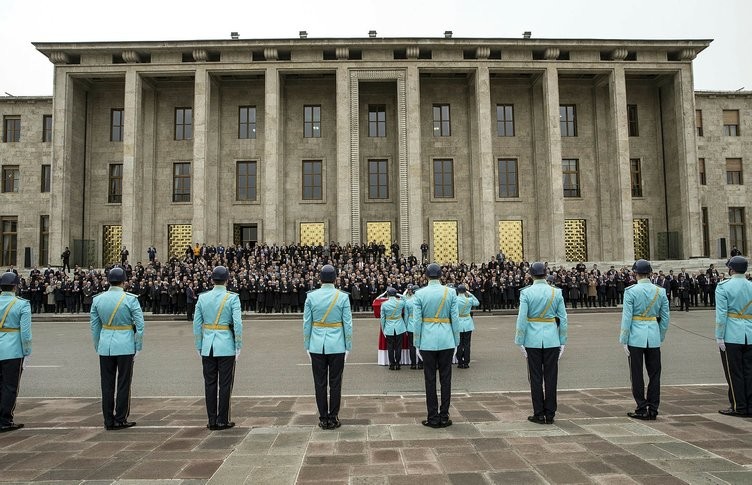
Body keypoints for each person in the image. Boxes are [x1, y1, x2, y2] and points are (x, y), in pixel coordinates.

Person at [89, 267, 145, 430]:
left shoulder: (98, 299)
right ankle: (120, 418)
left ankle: (108, 419)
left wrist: (98, 344)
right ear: (124, 281)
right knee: (123, 383)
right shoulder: (130, 299)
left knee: (106, 384)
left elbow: (94, 326)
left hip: (105, 344)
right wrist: (138, 345)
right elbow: (140, 325)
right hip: (125, 343)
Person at [515, 262, 568, 425]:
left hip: (532, 339)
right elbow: (563, 319)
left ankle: (538, 413)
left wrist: (519, 341)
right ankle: (550, 413)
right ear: (546, 274)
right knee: (551, 377)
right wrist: (562, 340)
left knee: (536, 377)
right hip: (552, 338)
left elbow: (522, 318)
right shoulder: (556, 293)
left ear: (531, 275)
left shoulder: (526, 293)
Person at [619, 259, 670, 420]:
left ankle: (641, 407)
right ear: (649, 273)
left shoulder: (631, 291)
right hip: (653, 335)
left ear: (635, 273)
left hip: (636, 336)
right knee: (654, 374)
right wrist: (660, 335)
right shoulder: (659, 291)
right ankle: (653, 408)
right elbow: (665, 317)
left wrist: (624, 339)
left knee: (637, 373)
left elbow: (627, 317)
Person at [303, 264, 353, 430]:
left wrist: (307, 345)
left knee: (320, 383)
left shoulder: (311, 297)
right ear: (335, 278)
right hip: (337, 344)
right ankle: (333, 416)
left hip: (317, 344)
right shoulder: (342, 297)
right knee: (336, 382)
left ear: (320, 278)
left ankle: (323, 417)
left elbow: (306, 323)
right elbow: (347, 323)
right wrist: (348, 345)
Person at [193, 265, 242, 430]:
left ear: (212, 280)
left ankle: (212, 420)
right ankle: (223, 419)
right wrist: (238, 345)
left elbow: (196, 324)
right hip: (226, 344)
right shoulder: (232, 298)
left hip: (208, 346)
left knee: (210, 384)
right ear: (227, 279)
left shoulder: (203, 298)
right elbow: (238, 324)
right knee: (225, 384)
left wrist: (199, 345)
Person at [412, 263, 460, 428]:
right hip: (447, 338)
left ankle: (432, 416)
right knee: (446, 379)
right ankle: (444, 415)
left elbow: (417, 321)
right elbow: (455, 319)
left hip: (427, 340)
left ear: (426, 276)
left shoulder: (420, 294)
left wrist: (416, 343)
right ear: (441, 276)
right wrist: (456, 341)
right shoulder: (451, 292)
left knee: (430, 380)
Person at [715, 256, 752, 417]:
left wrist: (719, 336)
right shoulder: (750, 286)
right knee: (749, 371)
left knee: (734, 372)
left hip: (732, 334)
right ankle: (750, 405)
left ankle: (739, 406)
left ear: (732, 269)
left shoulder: (724, 287)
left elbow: (722, 314)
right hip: (749, 334)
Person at [0, 272, 31, 433]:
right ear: (15, 286)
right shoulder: (21, 304)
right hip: (12, 350)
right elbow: (25, 332)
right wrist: (27, 351)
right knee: (10, 386)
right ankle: (5, 419)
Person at [379, 287, 407, 370]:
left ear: (388, 294)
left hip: (389, 327)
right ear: (395, 294)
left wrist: (383, 328)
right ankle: (398, 363)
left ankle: (392, 364)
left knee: (390, 347)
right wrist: (397, 294)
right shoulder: (400, 303)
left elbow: (382, 318)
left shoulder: (384, 304)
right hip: (399, 327)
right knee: (398, 346)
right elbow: (405, 299)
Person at [455, 284, 480, 369]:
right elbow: (477, 302)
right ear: (465, 291)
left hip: (458, 323)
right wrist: (470, 294)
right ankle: (466, 362)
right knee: (467, 344)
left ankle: (460, 362)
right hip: (468, 323)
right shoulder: (469, 300)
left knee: (459, 344)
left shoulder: (455, 299)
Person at [404, 285, 422, 370]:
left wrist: (406, 326)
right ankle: (421, 363)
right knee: (420, 345)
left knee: (412, 346)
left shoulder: (408, 301)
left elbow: (406, 316)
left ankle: (413, 364)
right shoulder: (422, 300)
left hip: (411, 325)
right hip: (421, 325)